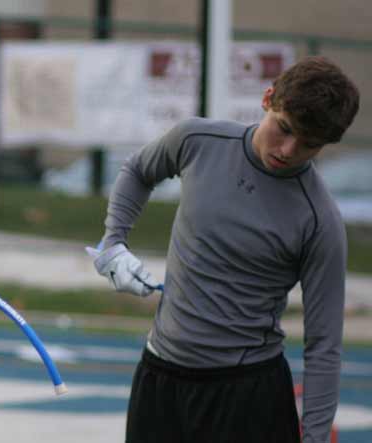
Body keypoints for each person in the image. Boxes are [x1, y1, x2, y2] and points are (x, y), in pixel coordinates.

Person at [90, 56, 359, 443]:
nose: (288, 149)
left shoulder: (320, 221)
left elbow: (324, 345)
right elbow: (137, 171)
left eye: (309, 144)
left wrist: (314, 438)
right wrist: (113, 242)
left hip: (246, 394)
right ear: (268, 99)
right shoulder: (197, 141)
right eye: (284, 129)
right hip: (160, 377)